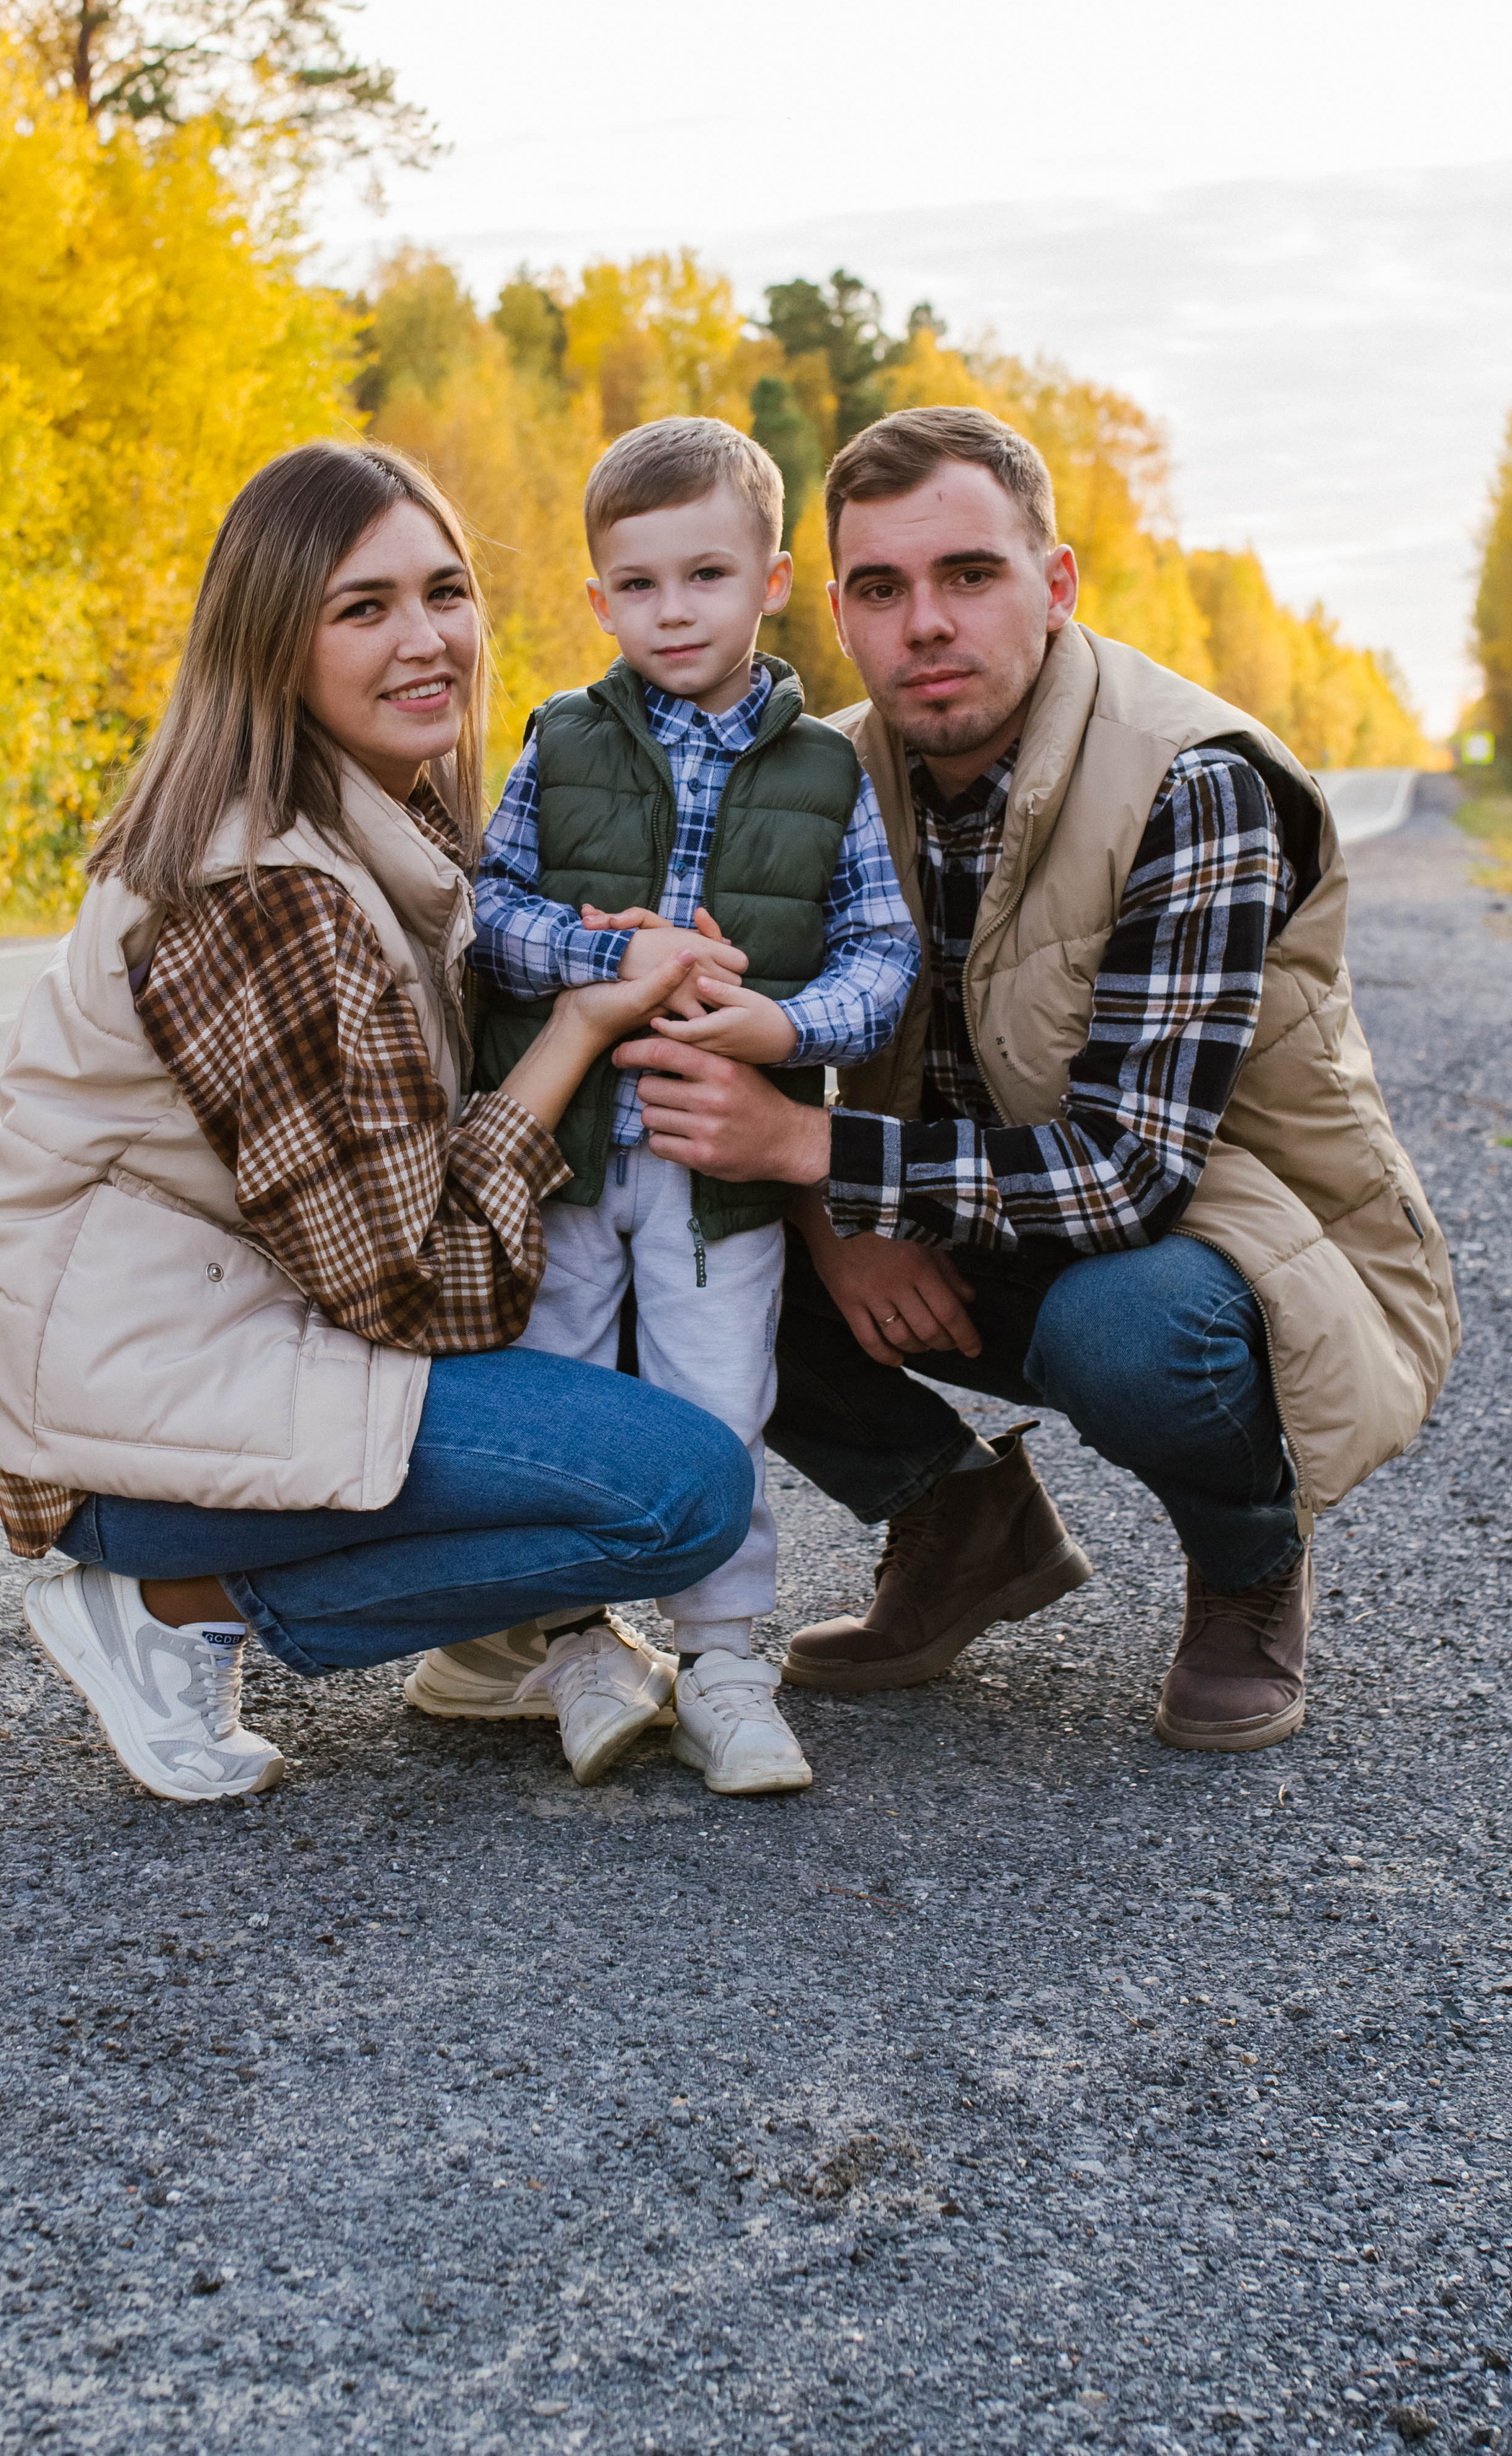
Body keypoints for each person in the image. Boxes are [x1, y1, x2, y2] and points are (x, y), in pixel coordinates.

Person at [603, 405, 1461, 1754]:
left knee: (1130, 1334)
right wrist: (828, 1222)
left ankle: (1249, 1564)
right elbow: (728, 1055)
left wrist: (818, 1159)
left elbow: (1132, 1173)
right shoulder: (812, 780)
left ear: (1054, 585)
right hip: (957, 1207)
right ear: (836, 613)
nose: (926, 624)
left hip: (1230, 1240)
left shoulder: (1193, 780)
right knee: (655, 1237)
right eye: (881, 589)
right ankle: (957, 1521)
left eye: (970, 574)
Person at [0, 440, 755, 1805]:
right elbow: (418, 1289)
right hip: (131, 1428)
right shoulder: (269, 897)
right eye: (363, 608)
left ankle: (485, 1646)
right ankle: (171, 1607)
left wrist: (594, 967)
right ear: (272, 644)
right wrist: (577, 1034)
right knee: (680, 1494)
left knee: (635, 1296)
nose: (426, 640)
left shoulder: (374, 830)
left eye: (445, 592)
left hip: (211, 1349)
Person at [405, 417, 920, 1796]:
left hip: (719, 1171)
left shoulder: (827, 774)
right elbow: (484, 912)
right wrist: (603, 957)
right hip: (566, 1158)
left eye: (706, 576)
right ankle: (576, 1643)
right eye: (638, 585)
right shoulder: (561, 740)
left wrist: (780, 1026)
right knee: (563, 1398)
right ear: (597, 599)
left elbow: (882, 960)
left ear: (773, 582)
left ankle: (726, 1663)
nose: (672, 611)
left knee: (719, 1402)